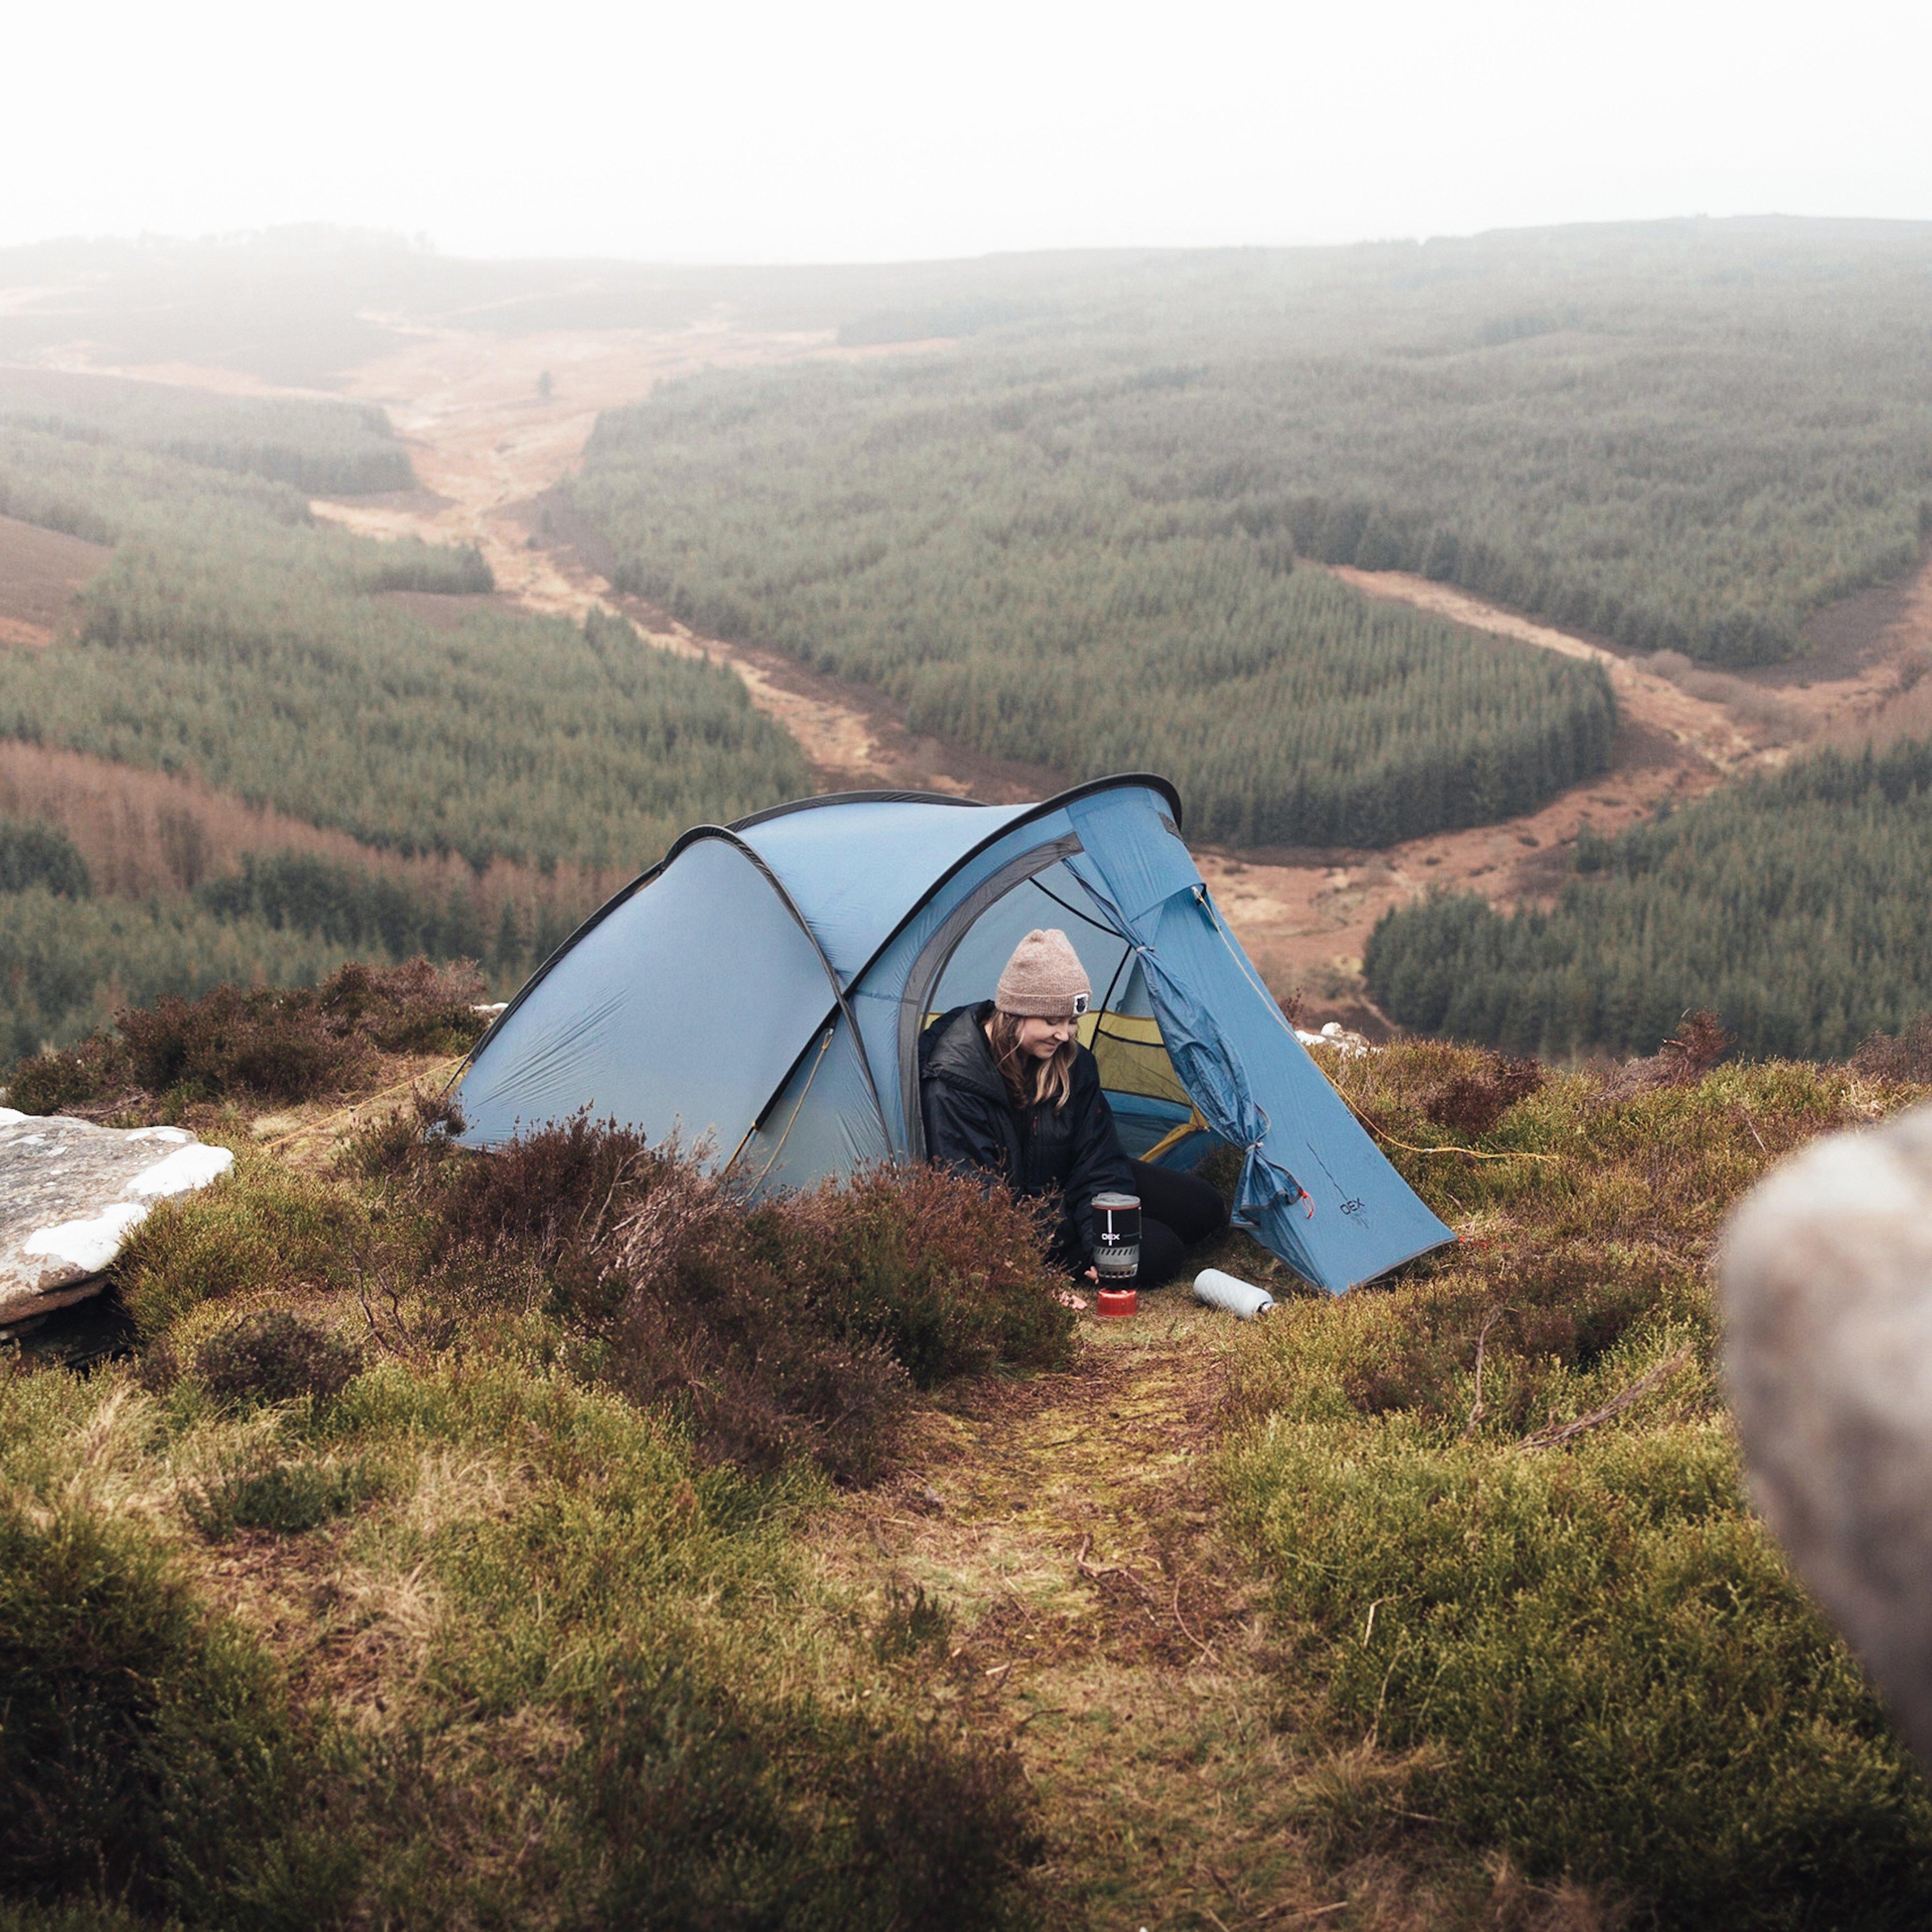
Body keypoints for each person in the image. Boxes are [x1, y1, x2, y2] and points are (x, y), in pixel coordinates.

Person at [919, 927, 1228, 1293]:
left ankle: (1105, 1242)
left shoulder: (1072, 1063)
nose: (1064, 1035)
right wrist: (1034, 1277)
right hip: (1020, 1219)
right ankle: (1081, 1256)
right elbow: (975, 1196)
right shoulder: (955, 1080)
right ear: (1016, 1013)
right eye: (1052, 1022)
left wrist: (1103, 1242)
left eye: (1071, 1022)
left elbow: (1098, 1160)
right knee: (1161, 1255)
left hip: (1065, 1182)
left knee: (1203, 1208)